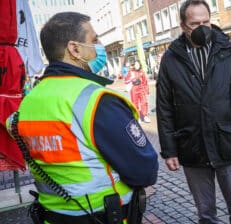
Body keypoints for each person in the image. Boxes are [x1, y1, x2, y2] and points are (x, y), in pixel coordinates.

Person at [5, 12, 158, 223]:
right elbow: (144, 171)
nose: (99, 46)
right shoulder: (97, 100)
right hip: (104, 216)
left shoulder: (28, 103)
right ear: (74, 49)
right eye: (94, 40)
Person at [156, 0, 231, 223]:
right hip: (192, 146)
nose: (203, 28)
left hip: (228, 143)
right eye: (195, 24)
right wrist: (169, 150)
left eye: (206, 21)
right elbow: (164, 107)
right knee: (206, 215)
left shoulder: (228, 49)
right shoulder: (171, 58)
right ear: (183, 25)